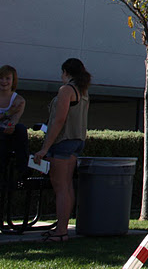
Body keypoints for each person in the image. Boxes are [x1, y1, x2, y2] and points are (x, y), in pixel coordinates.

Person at [34, 58, 91, 242]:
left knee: (60, 187)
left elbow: (59, 120)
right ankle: (63, 228)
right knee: (66, 186)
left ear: (66, 72)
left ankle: (60, 231)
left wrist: (44, 148)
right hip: (77, 141)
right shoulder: (83, 90)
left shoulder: (66, 90)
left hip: (63, 141)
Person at [0, 65, 29, 180]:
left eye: (7, 78)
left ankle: (22, 170)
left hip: (6, 133)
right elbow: (11, 113)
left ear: (13, 81)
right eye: (1, 78)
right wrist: (8, 112)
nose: (4, 81)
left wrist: (11, 124)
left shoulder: (19, 100)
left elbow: (15, 119)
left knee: (21, 129)